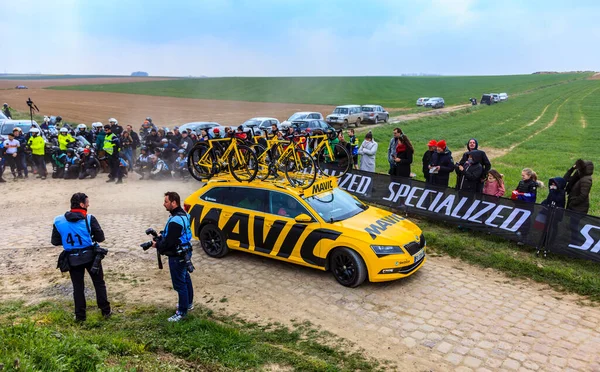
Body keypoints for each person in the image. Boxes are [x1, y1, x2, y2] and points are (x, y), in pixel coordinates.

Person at [51, 193, 111, 322]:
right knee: (99, 283)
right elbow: (101, 238)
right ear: (82, 205)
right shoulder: (89, 219)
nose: (89, 205)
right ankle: (105, 311)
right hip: (91, 257)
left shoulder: (58, 220)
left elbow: (55, 241)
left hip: (72, 258)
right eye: (87, 203)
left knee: (78, 287)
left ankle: (80, 316)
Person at [152, 192, 194, 322]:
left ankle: (181, 312)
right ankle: (188, 304)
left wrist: (157, 245)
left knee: (179, 284)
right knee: (185, 277)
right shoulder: (184, 215)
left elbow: (169, 242)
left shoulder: (175, 221)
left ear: (174, 202)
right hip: (185, 251)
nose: (164, 204)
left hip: (177, 255)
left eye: (166, 201)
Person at [564, 160, 593, 245]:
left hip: (579, 208)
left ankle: (576, 244)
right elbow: (565, 179)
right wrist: (572, 169)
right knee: (573, 226)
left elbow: (583, 195)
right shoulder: (579, 177)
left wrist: (573, 203)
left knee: (574, 226)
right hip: (575, 207)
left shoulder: (586, 180)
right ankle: (574, 243)